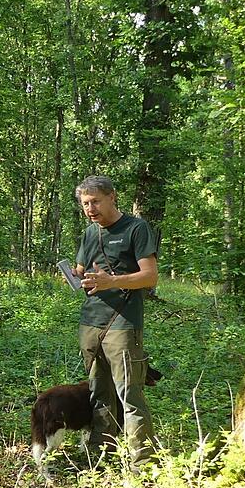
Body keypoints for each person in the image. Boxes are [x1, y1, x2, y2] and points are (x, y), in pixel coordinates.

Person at [73, 175, 159, 464]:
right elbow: (82, 270)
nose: (90, 209)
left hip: (123, 324)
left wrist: (112, 281)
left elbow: (150, 276)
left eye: (95, 202)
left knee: (129, 395)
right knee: (98, 392)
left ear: (112, 197)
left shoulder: (136, 228)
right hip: (91, 321)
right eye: (85, 204)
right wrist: (75, 276)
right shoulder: (89, 233)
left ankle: (142, 462)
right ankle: (99, 456)